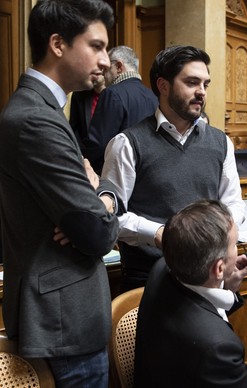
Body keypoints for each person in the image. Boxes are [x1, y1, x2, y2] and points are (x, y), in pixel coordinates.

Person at [0, 1, 122, 387]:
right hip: (62, 320)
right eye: (97, 46)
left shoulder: (44, 109)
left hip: (64, 316)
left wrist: (96, 202)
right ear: (57, 44)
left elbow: (89, 222)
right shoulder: (36, 118)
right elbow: (98, 234)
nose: (106, 60)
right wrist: (102, 198)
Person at [101, 45, 245, 292]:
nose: (201, 92)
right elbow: (113, 217)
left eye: (205, 84)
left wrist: (222, 236)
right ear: (163, 85)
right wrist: (158, 233)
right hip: (149, 281)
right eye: (191, 83)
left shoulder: (221, 142)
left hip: (209, 278)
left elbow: (233, 202)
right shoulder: (127, 144)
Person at [134, 200, 247, 387]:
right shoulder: (216, 348)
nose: (238, 250)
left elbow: (196, 311)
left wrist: (224, 285)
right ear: (219, 268)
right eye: (235, 244)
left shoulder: (162, 268)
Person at [84, 45, 158, 172]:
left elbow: (99, 143)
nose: (103, 75)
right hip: (148, 171)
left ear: (118, 67)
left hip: (117, 174)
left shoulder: (112, 93)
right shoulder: (153, 95)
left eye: (106, 70)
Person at [68, 73, 106, 147]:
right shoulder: (79, 94)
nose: (96, 71)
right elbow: (73, 127)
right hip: (85, 152)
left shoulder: (117, 95)